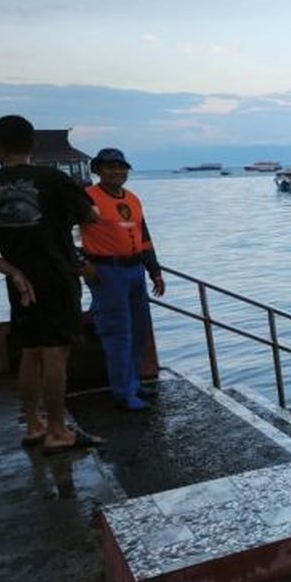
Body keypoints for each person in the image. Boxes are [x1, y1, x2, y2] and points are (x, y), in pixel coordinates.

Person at [0, 115, 104, 453]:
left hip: (19, 281)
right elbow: (93, 215)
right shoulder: (53, 179)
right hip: (58, 276)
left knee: (30, 352)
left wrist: (10, 270)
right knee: (56, 352)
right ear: (33, 145)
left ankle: (34, 424)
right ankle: (58, 431)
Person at [79, 148, 165, 411]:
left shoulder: (133, 199)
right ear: (97, 170)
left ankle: (135, 382)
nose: (116, 172)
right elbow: (63, 233)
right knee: (117, 333)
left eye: (121, 167)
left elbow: (144, 236)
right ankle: (123, 392)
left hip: (134, 270)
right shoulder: (86, 198)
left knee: (138, 329)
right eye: (109, 167)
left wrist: (155, 270)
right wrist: (81, 263)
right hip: (107, 272)